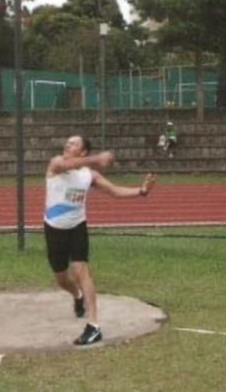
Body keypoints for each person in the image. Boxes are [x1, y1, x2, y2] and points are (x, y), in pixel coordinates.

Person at [44, 135, 156, 345]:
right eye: (67, 142)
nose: (68, 145)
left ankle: (93, 326)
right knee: (61, 277)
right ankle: (77, 296)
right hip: (54, 229)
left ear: (83, 151)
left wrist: (141, 192)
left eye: (74, 143)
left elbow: (114, 191)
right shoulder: (56, 164)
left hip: (77, 226)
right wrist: (97, 158)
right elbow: (66, 164)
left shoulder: (90, 176)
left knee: (81, 271)